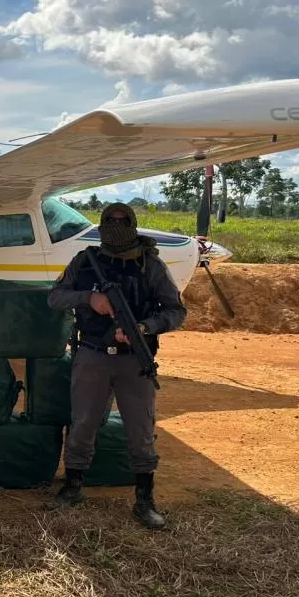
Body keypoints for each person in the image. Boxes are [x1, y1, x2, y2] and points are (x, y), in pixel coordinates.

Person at [47, 202, 187, 529]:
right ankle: (73, 485)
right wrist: (89, 299)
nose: (116, 226)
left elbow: (176, 311)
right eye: (110, 220)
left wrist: (144, 328)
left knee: (140, 429)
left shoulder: (150, 266)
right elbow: (54, 297)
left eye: (123, 221)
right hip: (92, 355)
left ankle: (144, 498)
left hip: (134, 361)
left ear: (134, 224)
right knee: (82, 423)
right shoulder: (85, 262)